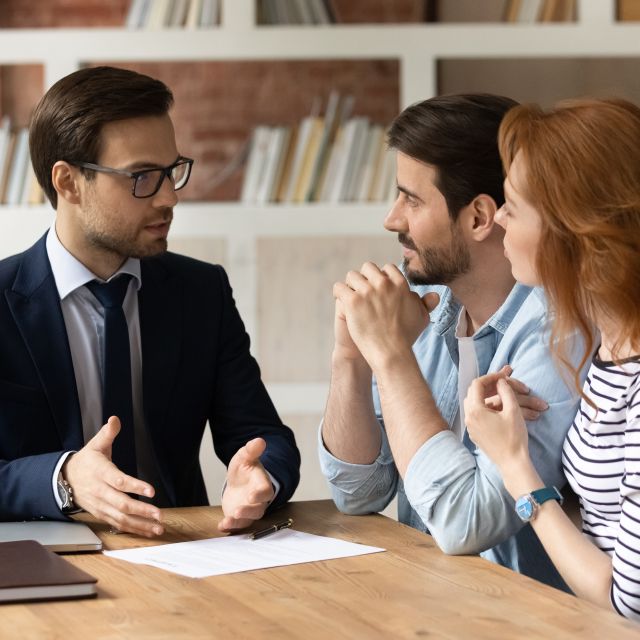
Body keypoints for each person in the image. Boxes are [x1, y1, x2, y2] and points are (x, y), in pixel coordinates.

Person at [0, 66, 300, 537]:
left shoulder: (202, 292)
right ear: (68, 182)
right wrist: (64, 478)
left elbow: (262, 434)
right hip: (42, 556)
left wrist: (262, 478)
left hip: (182, 548)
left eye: (171, 172)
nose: (168, 198)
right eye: (141, 177)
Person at [319, 94, 586, 590]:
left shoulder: (558, 331)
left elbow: (468, 522)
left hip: (526, 621)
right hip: (427, 603)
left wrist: (392, 357)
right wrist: (352, 358)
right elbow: (358, 492)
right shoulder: (423, 300)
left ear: (481, 217)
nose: (391, 219)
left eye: (411, 199)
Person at [464, 98, 640, 620]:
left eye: (513, 206)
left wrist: (515, 465)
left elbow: (627, 599)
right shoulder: (609, 348)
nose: (494, 219)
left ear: (574, 232)